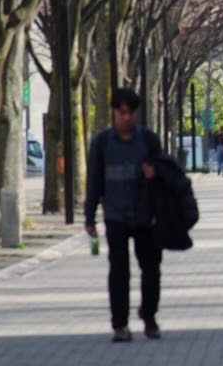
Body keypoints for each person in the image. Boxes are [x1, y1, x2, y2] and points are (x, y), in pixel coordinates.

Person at [84, 88, 165, 343]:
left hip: (145, 214)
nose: (126, 118)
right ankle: (120, 324)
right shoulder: (102, 143)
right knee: (119, 271)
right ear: (114, 113)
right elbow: (94, 180)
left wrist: (155, 174)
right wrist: (90, 217)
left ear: (136, 113)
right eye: (122, 113)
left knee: (151, 268)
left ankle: (149, 316)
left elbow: (165, 172)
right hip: (116, 214)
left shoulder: (149, 140)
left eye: (131, 113)